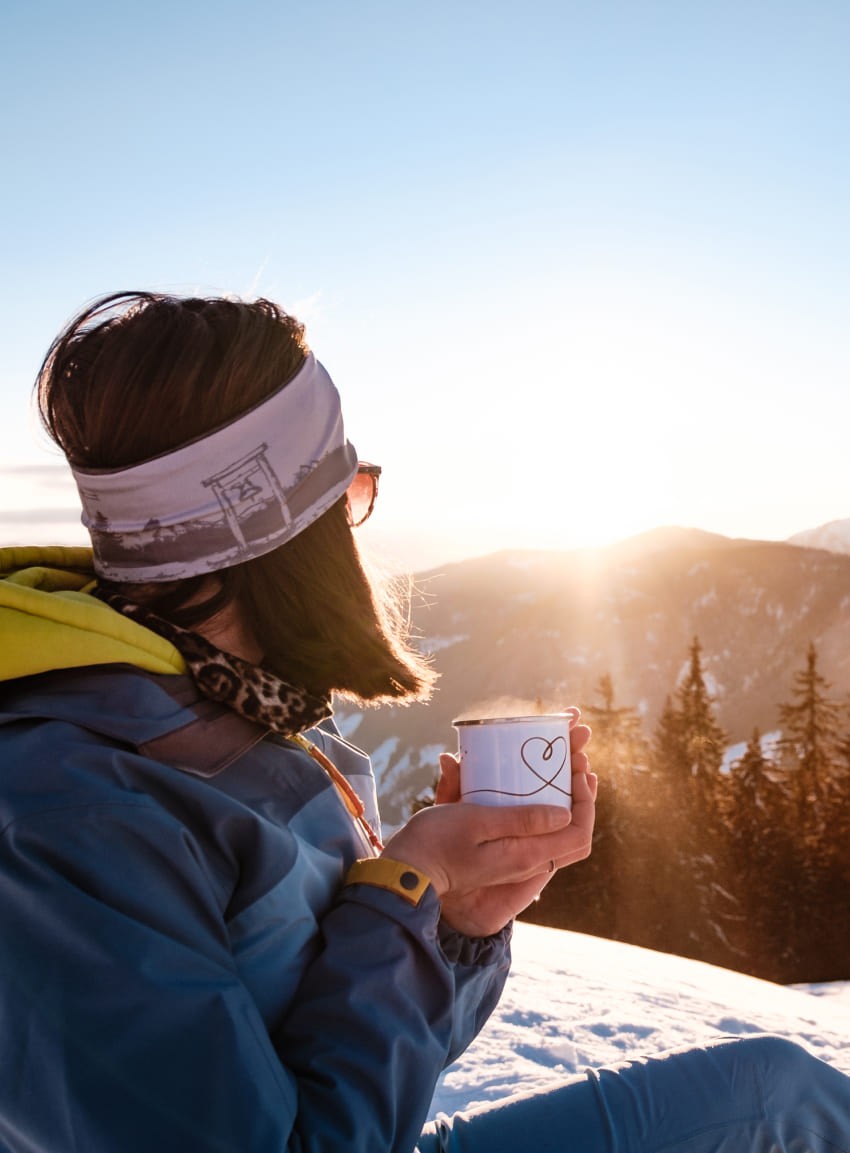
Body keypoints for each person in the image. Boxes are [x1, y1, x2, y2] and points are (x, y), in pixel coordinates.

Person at [0, 291, 846, 1153]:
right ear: (284, 529)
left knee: (778, 1096)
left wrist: (454, 921)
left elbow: (361, 1067)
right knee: (783, 1115)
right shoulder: (70, 819)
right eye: (348, 490)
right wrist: (400, 889)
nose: (358, 520)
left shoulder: (229, 708)